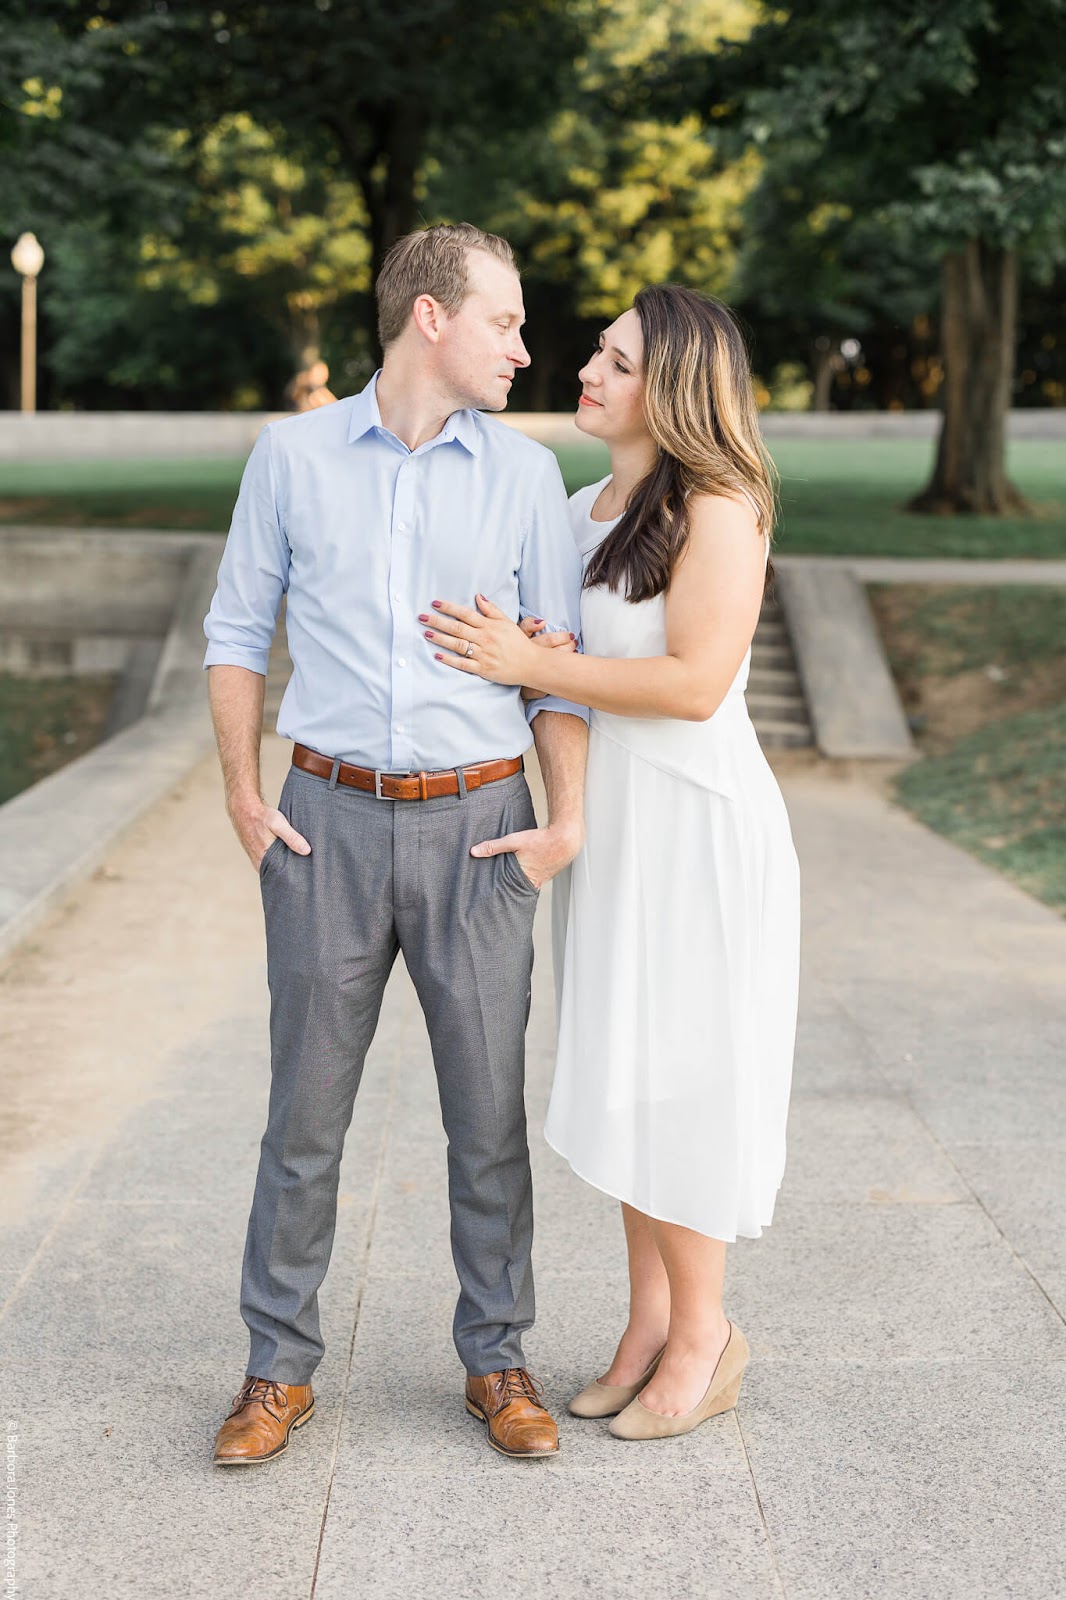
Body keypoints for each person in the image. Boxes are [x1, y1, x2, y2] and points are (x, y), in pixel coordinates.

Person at [203, 223, 589, 1466]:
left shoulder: (526, 477)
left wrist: (558, 822)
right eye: (505, 322)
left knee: (485, 1119)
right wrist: (242, 795)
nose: (525, 349)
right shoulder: (292, 457)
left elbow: (557, 675)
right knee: (302, 1117)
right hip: (323, 826)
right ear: (431, 317)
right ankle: (275, 1369)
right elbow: (235, 630)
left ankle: (499, 1357)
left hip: (482, 831)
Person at [421, 284, 800, 1442]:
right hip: (617, 832)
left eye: (618, 360)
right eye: (597, 350)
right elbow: (577, 663)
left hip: (695, 827)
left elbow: (691, 684)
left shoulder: (719, 505)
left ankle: (707, 1333)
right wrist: (532, 652)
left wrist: (535, 660)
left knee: (685, 1075)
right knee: (632, 1073)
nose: (587, 367)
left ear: (674, 387)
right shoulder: (588, 503)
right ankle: (645, 1322)